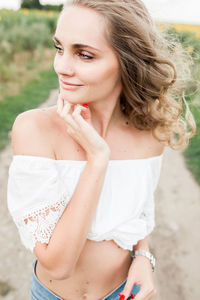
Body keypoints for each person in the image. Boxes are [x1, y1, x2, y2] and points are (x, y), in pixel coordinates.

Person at [7, 0, 196, 300]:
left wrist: (144, 257)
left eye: (84, 54)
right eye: (59, 48)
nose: (62, 67)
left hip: (124, 293)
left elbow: (138, 212)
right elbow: (57, 264)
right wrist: (97, 159)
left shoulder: (149, 135)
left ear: (127, 60)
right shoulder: (34, 130)